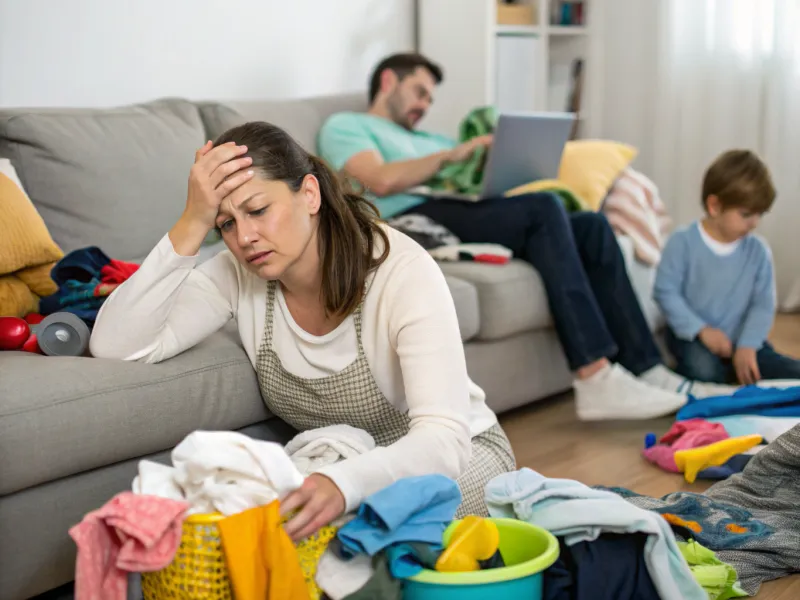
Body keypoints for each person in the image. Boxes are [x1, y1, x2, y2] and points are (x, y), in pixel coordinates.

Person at [89, 121, 517, 539]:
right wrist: (193, 220)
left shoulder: (401, 269)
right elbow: (116, 344)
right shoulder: (238, 273)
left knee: (360, 536)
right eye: (227, 224)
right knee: (254, 534)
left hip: (456, 461)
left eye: (258, 211)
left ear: (309, 194)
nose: (246, 237)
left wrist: (343, 484)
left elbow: (444, 441)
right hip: (340, 466)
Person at [317, 52, 727, 421]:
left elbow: (463, 180)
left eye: (430, 98)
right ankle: (594, 375)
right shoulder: (348, 125)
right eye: (419, 92)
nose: (424, 105)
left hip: (454, 207)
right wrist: (451, 155)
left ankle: (648, 368)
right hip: (409, 218)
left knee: (592, 226)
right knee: (544, 209)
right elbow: (379, 181)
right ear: (388, 81)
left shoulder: (428, 139)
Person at [655, 149, 800, 384]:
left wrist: (748, 345)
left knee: (790, 372)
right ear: (714, 206)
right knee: (704, 372)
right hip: (693, 336)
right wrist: (702, 330)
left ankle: (735, 369)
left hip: (742, 339)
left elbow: (762, 305)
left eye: (759, 214)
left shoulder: (758, 251)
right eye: (746, 214)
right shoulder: (683, 242)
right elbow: (665, 291)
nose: (754, 223)